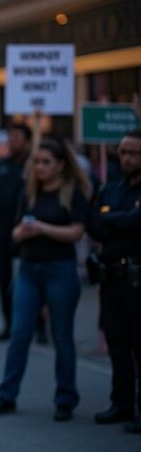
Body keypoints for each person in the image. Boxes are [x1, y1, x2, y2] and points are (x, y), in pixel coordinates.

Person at [0, 137, 90, 422]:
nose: (40, 167)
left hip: (60, 269)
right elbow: (16, 232)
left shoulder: (72, 193)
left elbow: (77, 232)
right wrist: (22, 232)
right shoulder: (29, 191)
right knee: (19, 334)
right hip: (29, 270)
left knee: (61, 336)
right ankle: (7, 395)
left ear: (60, 165)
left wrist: (42, 228)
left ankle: (65, 399)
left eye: (46, 162)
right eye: (37, 162)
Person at [86, 128, 141, 433]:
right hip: (111, 279)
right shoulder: (111, 188)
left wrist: (112, 220)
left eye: (134, 153)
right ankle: (121, 403)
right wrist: (123, 220)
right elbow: (93, 224)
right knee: (117, 346)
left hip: (136, 277)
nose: (127, 158)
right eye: (124, 152)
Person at [0, 123, 32, 341]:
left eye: (18, 137)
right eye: (11, 137)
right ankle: (9, 325)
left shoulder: (34, 168)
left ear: (27, 140)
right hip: (3, 234)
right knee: (5, 281)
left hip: (29, 234)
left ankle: (39, 327)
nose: (13, 141)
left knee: (31, 282)